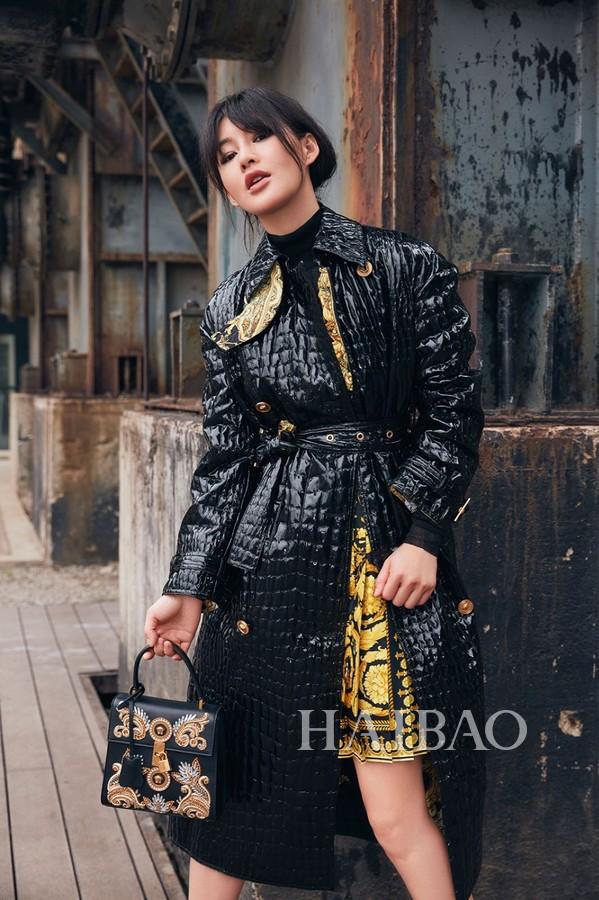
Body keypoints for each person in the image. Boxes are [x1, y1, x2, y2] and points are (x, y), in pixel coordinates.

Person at [143, 87, 485, 900]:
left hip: (380, 565)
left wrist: (424, 536)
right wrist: (187, 588)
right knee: (229, 795)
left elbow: (454, 412)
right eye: (226, 157)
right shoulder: (229, 308)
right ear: (226, 188)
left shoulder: (400, 265)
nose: (244, 161)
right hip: (268, 572)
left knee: (396, 808)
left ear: (304, 146)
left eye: (256, 140)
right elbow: (225, 461)